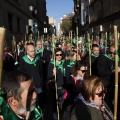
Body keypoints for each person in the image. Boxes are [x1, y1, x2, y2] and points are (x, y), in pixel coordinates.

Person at [19, 43, 43, 107]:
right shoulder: (23, 61)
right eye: (31, 51)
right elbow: (21, 74)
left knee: (39, 104)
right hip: (28, 86)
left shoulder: (38, 60)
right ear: (27, 51)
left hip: (38, 86)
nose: (33, 52)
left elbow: (41, 72)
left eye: (34, 51)